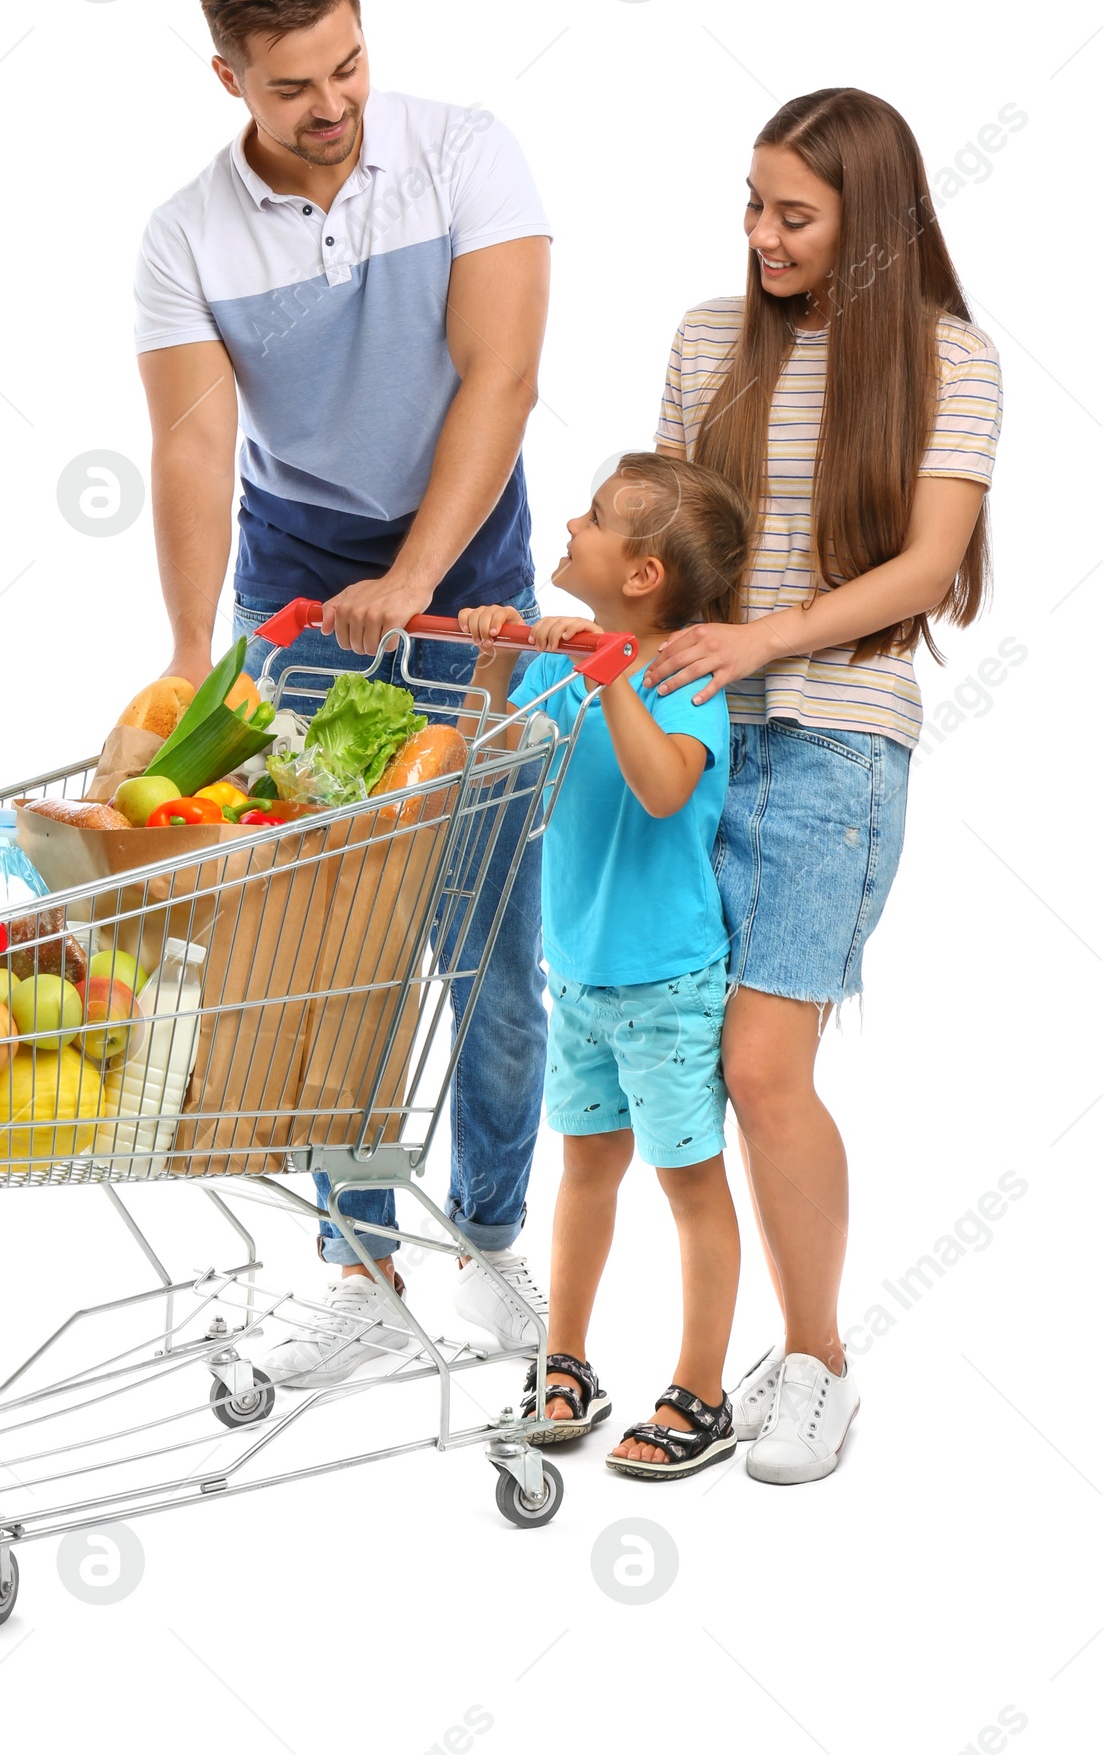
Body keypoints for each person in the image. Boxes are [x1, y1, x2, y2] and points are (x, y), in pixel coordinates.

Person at [133, 0, 554, 1380]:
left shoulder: (464, 153)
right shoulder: (185, 236)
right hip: (304, 586)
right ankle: (361, 1265)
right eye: (296, 84)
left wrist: (420, 573)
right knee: (332, 936)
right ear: (230, 79)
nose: (333, 105)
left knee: (489, 943)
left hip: (469, 566)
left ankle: (492, 1238)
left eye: (350, 64)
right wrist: (192, 652)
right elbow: (191, 447)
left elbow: (502, 380)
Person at [641, 87, 1003, 1482]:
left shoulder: (948, 360)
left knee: (759, 1064)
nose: (761, 234)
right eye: (752, 204)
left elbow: (922, 569)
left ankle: (815, 1361)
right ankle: (706, 1359)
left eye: (795, 213)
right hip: (693, 735)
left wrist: (770, 636)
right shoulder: (703, 344)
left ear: (874, 225)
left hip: (839, 737)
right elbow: (659, 538)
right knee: (679, 1061)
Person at [460, 452, 754, 1477]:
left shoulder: (682, 680)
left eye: (591, 520)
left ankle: (701, 1391)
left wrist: (613, 673)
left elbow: (665, 787)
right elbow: (479, 758)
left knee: (687, 1182)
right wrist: (498, 665)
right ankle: (566, 1362)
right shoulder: (559, 665)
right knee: (584, 1170)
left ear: (641, 577)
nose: (570, 530)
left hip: (667, 986)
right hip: (576, 974)